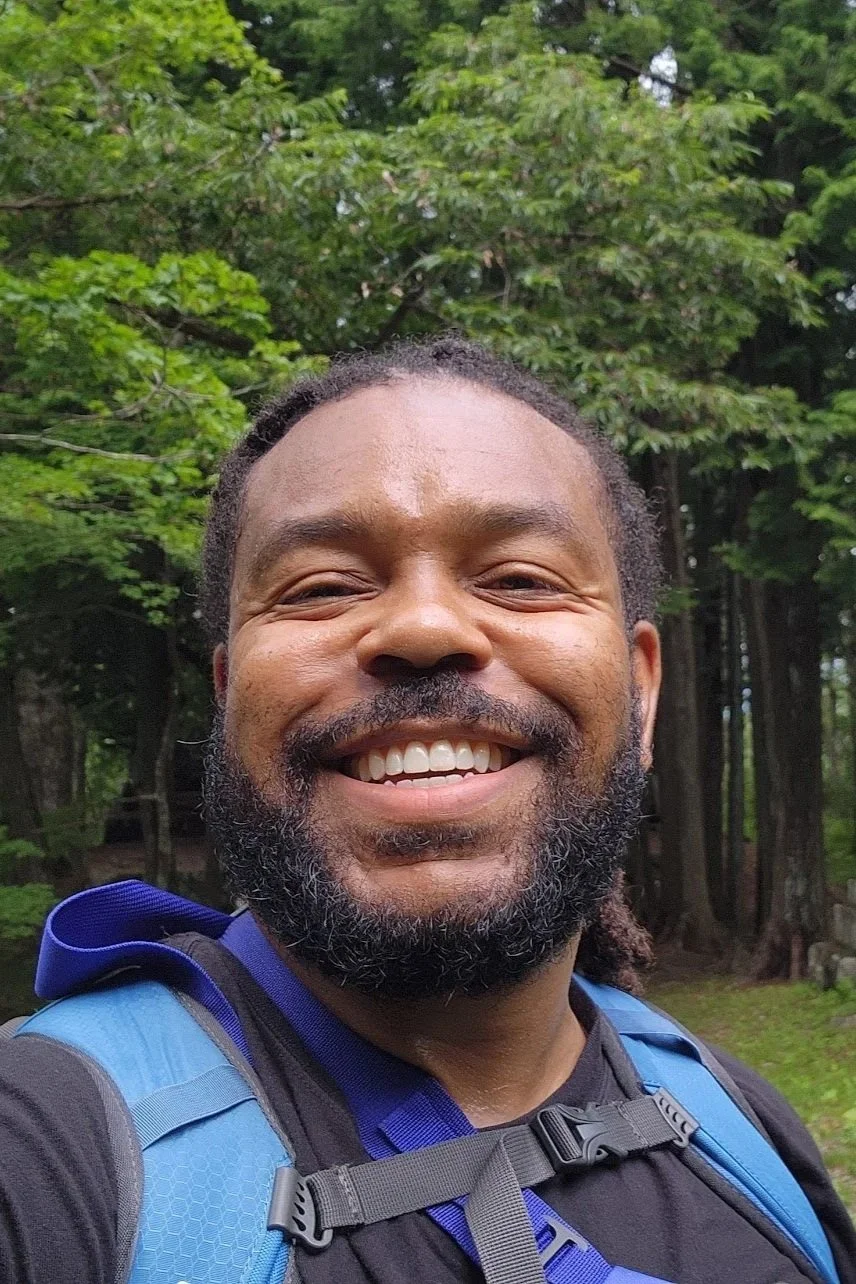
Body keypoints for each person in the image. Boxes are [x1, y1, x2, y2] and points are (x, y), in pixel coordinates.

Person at [1, 337, 853, 1284]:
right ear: (230, 698)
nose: (423, 628)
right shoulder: (46, 1147)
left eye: (521, 578)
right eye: (323, 587)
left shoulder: (742, 1126)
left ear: (640, 694)